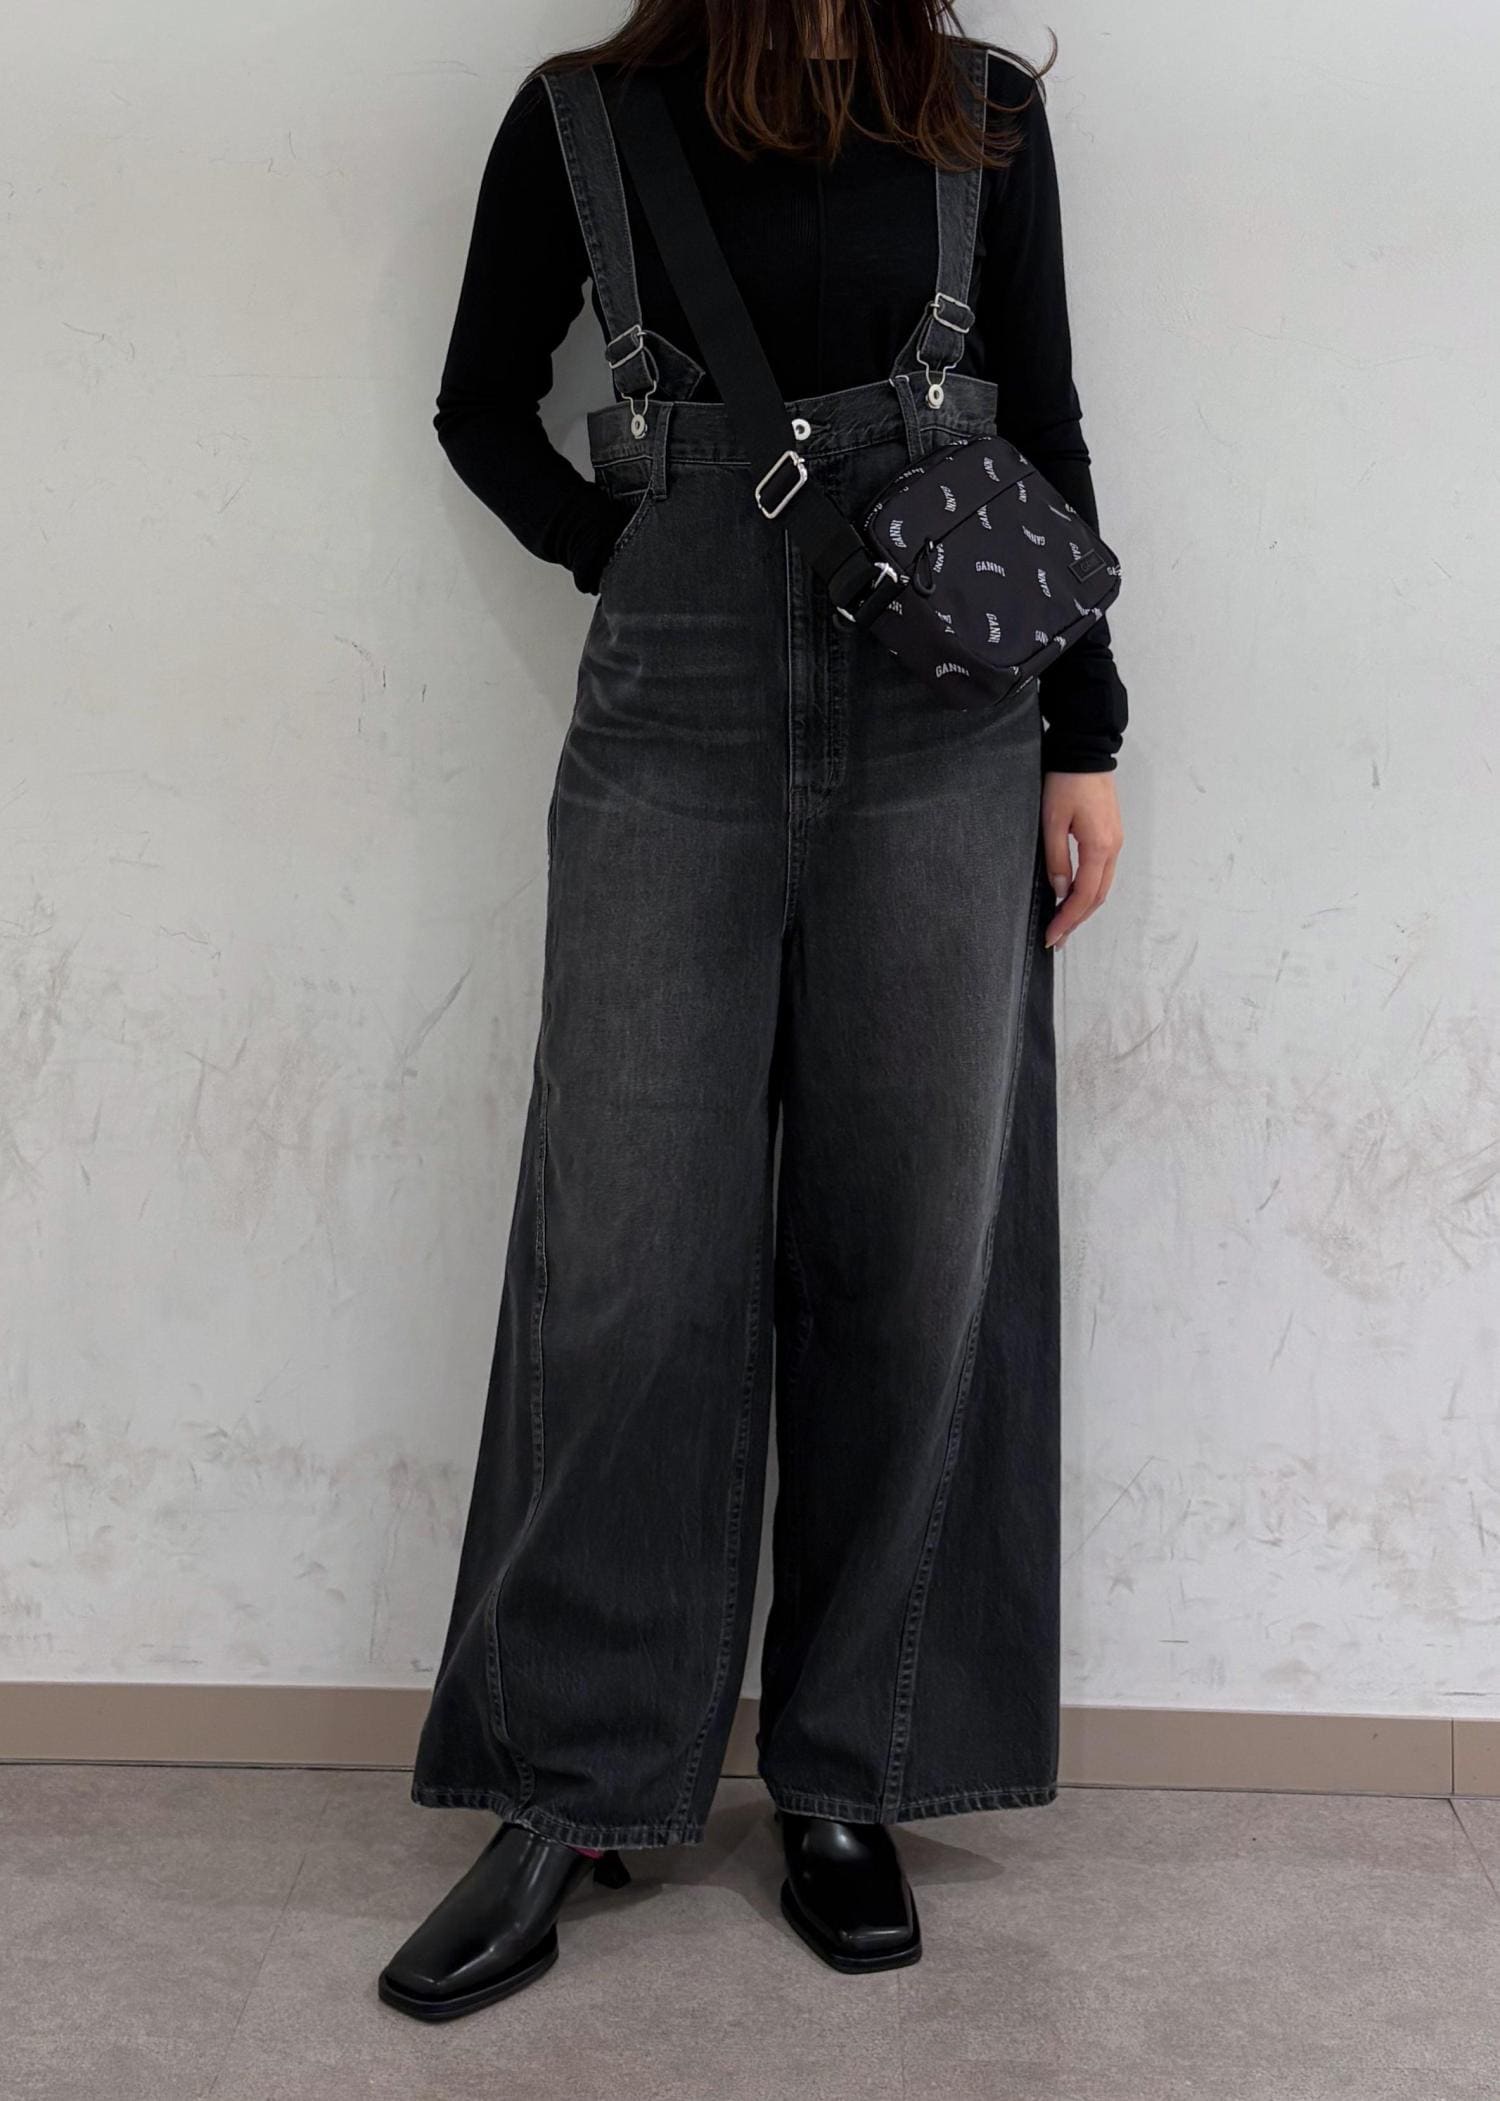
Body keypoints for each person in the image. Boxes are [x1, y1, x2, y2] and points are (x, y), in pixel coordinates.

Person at [380, 0, 1128, 2021]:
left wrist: (1086, 732)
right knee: (626, 1259)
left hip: (948, 721)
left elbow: (1046, 429)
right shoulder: (583, 120)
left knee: (913, 1247)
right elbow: (476, 406)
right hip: (673, 720)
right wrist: (626, 547)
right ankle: (568, 1784)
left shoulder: (981, 118)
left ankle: (846, 1772)